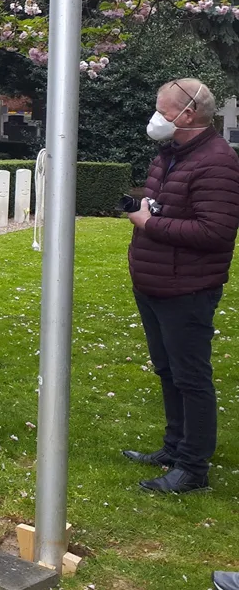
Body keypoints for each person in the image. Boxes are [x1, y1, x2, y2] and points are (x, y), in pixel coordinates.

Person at [123, 78, 239, 493]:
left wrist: (151, 222)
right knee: (168, 370)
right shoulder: (170, 153)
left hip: (187, 288)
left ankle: (193, 468)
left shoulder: (217, 161)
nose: (157, 117)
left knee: (191, 377)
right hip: (154, 281)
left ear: (188, 114)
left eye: (163, 109)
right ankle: (174, 447)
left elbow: (217, 231)